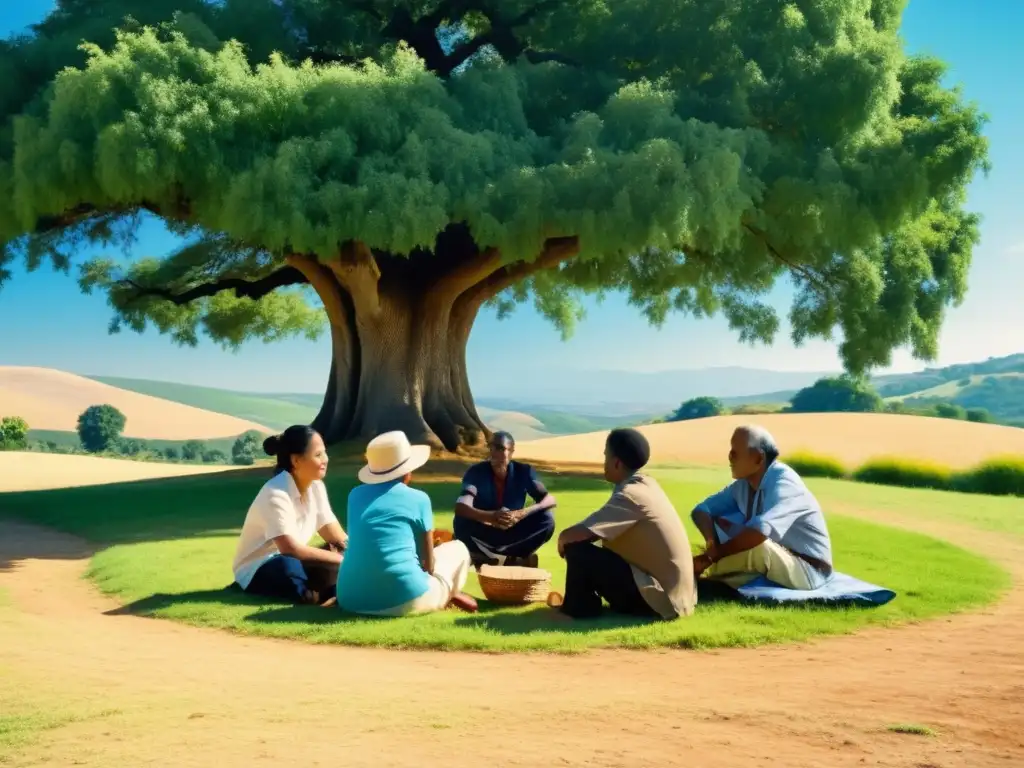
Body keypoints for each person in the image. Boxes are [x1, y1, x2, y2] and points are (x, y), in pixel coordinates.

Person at [552, 428, 696, 620]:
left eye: (606, 457)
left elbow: (575, 534)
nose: (604, 463)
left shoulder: (630, 496)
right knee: (589, 546)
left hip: (661, 601)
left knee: (576, 548)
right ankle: (584, 602)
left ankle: (578, 609)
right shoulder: (647, 485)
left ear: (617, 462)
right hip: (677, 598)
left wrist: (563, 542)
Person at [337, 431, 478, 616]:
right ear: (406, 471)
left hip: (350, 598)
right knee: (458, 548)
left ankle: (446, 592)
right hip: (405, 600)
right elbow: (428, 564)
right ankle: (448, 593)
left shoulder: (355, 496)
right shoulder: (419, 499)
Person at [691, 425, 833, 590]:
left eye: (735, 453)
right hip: (777, 558)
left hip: (809, 570)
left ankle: (695, 570)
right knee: (721, 523)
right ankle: (708, 575)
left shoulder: (785, 483)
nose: (729, 457)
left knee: (758, 547)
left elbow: (760, 532)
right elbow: (702, 510)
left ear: (758, 458)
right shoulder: (743, 485)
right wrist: (712, 543)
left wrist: (711, 556)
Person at [231, 425, 348, 606]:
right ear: (296, 461)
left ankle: (332, 593)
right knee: (288, 565)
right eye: (318, 455)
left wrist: (357, 554)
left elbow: (335, 534)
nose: (325, 459)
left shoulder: (316, 486)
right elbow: (290, 549)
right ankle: (319, 595)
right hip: (261, 566)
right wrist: (343, 561)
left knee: (335, 548)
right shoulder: (275, 493)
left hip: (295, 559)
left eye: (324, 453)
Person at [454, 431, 557, 568]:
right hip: (485, 529)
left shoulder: (524, 471)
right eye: (493, 448)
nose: (497, 452)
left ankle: (497, 555)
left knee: (547, 519)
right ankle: (501, 556)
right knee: (461, 521)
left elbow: (549, 500)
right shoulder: (476, 472)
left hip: (512, 530)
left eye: (502, 448)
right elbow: (461, 506)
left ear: (512, 451)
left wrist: (521, 514)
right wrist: (491, 517)